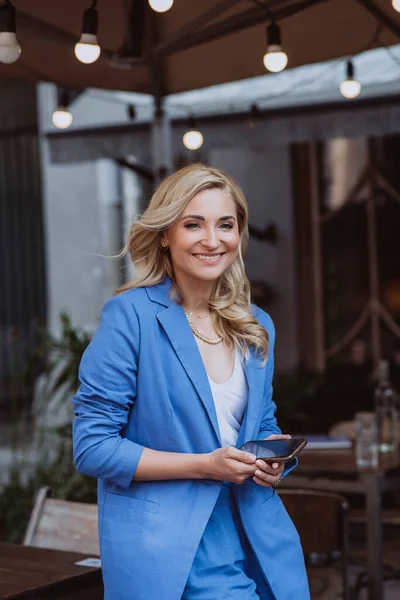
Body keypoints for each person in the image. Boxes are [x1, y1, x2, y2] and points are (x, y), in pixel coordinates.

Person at [72, 164, 310, 600]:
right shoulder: (130, 318)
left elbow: (258, 424)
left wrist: (270, 460)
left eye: (226, 225)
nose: (212, 240)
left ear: (240, 234)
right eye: (193, 224)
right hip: (169, 549)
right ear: (165, 233)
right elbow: (92, 447)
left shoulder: (257, 326)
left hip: (254, 533)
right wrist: (204, 465)